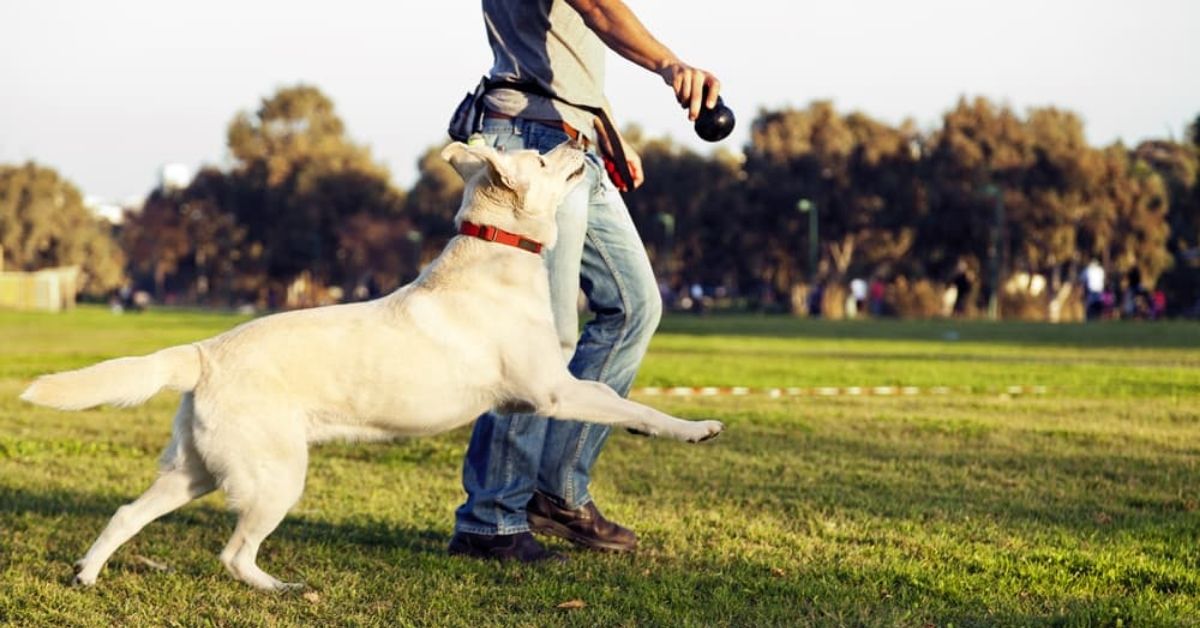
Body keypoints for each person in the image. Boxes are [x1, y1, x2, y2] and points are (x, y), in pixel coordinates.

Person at [446, 0, 723, 562]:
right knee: (539, 341)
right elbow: (596, 7)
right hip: (531, 142)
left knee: (634, 306)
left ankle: (556, 491)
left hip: (573, 140)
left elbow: (563, 48)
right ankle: (491, 519)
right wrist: (670, 65)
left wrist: (604, 128)